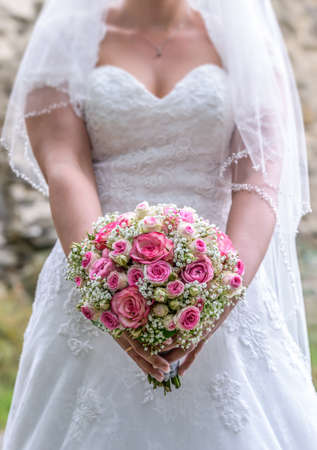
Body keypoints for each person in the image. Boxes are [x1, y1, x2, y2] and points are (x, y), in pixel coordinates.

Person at [1, 0, 317, 448]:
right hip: (96, 267)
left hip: (221, 270)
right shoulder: (68, 41)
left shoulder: (244, 45)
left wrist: (219, 297)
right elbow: (66, 168)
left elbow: (258, 180)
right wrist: (107, 288)